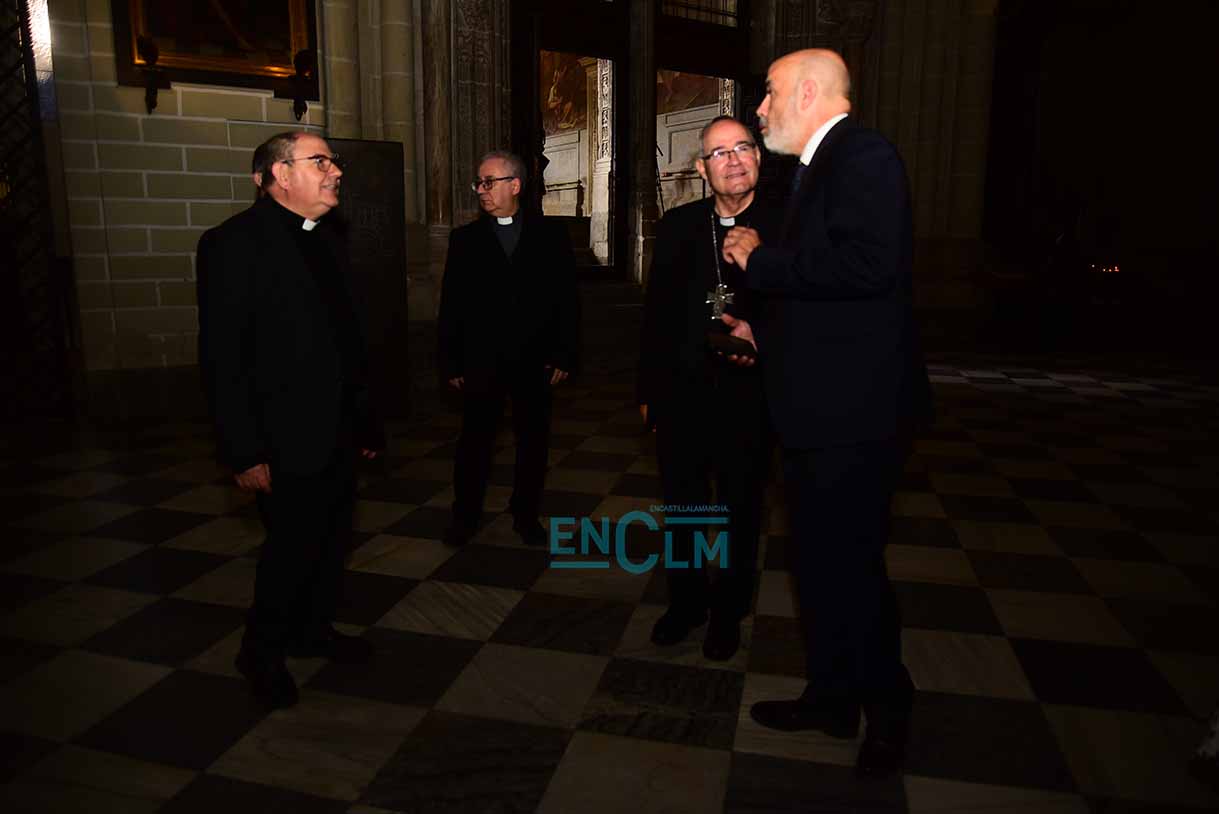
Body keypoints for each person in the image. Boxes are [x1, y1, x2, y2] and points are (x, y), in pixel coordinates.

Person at [720, 50, 933, 777]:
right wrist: (765, 330)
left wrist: (761, 261)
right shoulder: (815, 168)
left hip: (855, 417)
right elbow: (831, 301)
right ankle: (833, 699)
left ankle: (889, 711)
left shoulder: (863, 155)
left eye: (769, 93)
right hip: (819, 411)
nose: (760, 108)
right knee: (817, 567)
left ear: (808, 92)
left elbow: (870, 267)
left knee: (851, 570)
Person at [197, 131, 385, 710]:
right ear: (281, 174)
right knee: (290, 551)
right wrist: (243, 450)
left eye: (334, 162)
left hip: (337, 431)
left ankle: (312, 630)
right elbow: (223, 357)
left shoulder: (327, 237)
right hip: (281, 438)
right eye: (320, 161)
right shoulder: (232, 243)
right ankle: (260, 653)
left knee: (332, 540)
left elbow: (347, 340)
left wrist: (364, 422)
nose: (336, 172)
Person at [637, 115, 774, 661]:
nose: (733, 160)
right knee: (685, 507)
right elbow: (656, 316)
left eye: (743, 147)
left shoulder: (787, 226)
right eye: (719, 153)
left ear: (759, 157)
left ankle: (728, 613)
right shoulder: (679, 226)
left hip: (753, 397)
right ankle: (687, 603)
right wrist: (649, 392)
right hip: (683, 395)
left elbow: (809, 311)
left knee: (741, 510)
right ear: (701, 168)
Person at [437, 150, 580, 547]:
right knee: (474, 443)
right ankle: (465, 516)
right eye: (479, 183)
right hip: (481, 360)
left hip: (535, 360)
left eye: (489, 182)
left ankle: (526, 514)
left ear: (515, 185)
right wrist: (450, 361)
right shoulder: (464, 239)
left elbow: (567, 299)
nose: (481, 190)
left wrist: (565, 353)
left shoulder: (551, 235)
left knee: (533, 442)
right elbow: (451, 305)